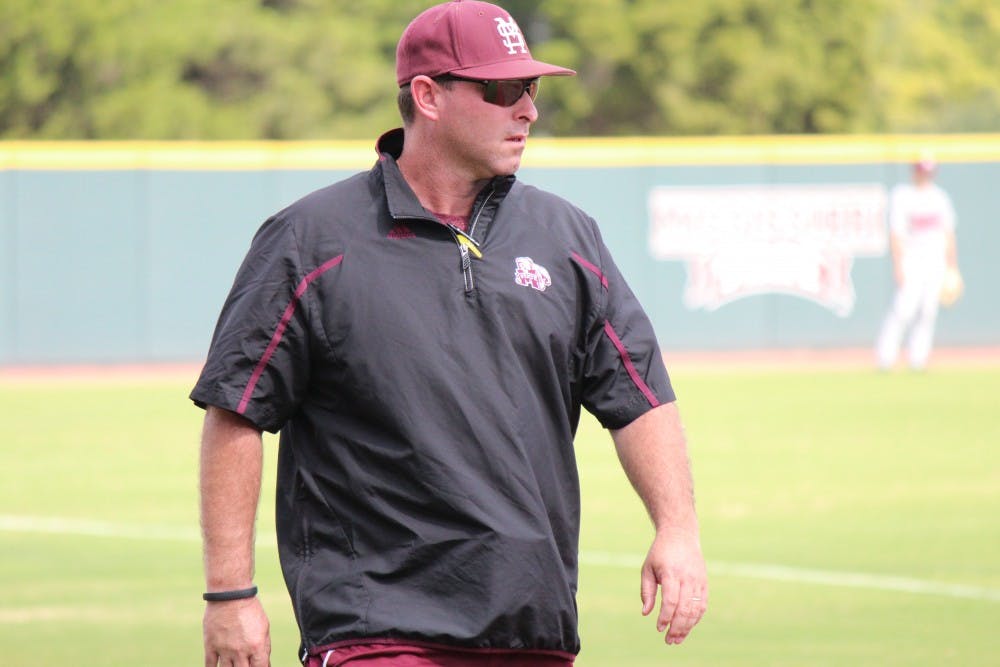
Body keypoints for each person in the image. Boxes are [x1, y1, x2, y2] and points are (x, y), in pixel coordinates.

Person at [192, 2, 707, 665]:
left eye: (532, 88)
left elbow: (639, 395)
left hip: (531, 630)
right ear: (428, 96)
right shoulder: (309, 241)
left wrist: (678, 528)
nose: (527, 109)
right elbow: (237, 409)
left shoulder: (567, 238)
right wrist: (230, 593)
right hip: (375, 628)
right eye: (501, 89)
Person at [876, 153, 960, 371]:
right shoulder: (903, 196)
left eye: (928, 171)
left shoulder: (940, 198)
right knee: (903, 309)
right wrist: (898, 264)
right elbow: (896, 234)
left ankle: (918, 359)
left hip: (935, 262)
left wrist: (952, 266)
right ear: (914, 171)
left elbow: (949, 234)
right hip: (912, 261)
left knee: (928, 311)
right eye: (922, 170)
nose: (925, 175)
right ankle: (886, 358)